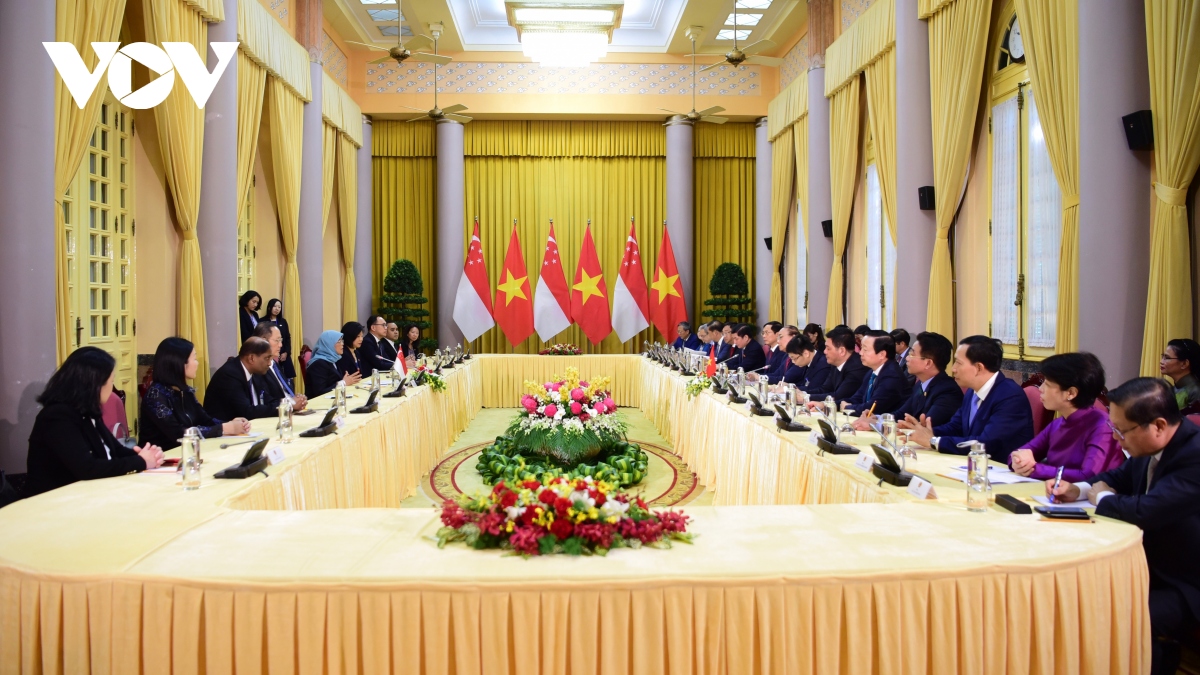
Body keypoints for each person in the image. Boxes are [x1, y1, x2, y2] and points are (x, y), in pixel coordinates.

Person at [1046, 378, 1200, 675]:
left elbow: (1148, 511)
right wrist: (1077, 489)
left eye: (1121, 430)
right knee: (1076, 598)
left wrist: (1102, 497)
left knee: (1116, 618)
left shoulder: (1194, 455)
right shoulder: (1151, 446)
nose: (1116, 438)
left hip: (1184, 582)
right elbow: (1117, 477)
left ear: (1158, 425)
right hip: (1146, 565)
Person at [22, 347, 164, 498]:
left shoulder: (86, 411)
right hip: (53, 501)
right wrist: (140, 461)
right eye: (111, 381)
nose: (112, 388)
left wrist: (145, 455)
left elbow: (115, 450)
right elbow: (87, 468)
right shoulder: (58, 416)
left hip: (85, 495)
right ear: (94, 384)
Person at [899, 335, 1034, 462]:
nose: (953, 369)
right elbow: (956, 427)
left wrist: (934, 441)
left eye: (958, 363)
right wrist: (925, 432)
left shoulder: (1009, 396)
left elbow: (986, 443)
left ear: (978, 368)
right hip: (971, 464)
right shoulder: (972, 391)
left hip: (1000, 469)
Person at [1008, 352, 1124, 481]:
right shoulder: (1058, 423)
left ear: (1071, 393)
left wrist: (1035, 469)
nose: (1040, 388)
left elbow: (1089, 476)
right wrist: (1018, 461)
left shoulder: (1102, 426)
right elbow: (1021, 452)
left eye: (1047, 384)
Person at [140, 337, 250, 450]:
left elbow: (206, 420)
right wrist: (224, 428)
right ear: (180, 363)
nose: (197, 363)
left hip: (188, 452)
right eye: (195, 359)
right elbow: (178, 434)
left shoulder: (185, 391)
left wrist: (231, 424)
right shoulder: (156, 395)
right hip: (162, 456)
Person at [857, 331, 962, 431]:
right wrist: (877, 418)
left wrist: (877, 425)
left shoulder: (947, 391)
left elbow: (925, 428)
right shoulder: (920, 384)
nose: (907, 358)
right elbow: (902, 414)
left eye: (912, 354)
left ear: (928, 363)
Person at [204, 338, 278, 421]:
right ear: (251, 358)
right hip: (224, 427)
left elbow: (268, 399)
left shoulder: (255, 372)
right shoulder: (229, 375)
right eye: (267, 358)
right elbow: (247, 412)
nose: (269, 363)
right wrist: (282, 408)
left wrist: (285, 405)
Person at [841, 331, 907, 416]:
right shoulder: (872, 371)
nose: (860, 353)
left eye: (865, 350)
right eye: (861, 348)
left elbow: (873, 408)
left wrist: (847, 408)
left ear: (882, 354)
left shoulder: (892, 376)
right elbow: (857, 398)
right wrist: (832, 404)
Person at [804, 326, 869, 405]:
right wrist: (803, 393)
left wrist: (806, 397)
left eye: (828, 348)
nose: (824, 351)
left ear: (842, 351)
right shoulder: (835, 364)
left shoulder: (857, 368)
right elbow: (825, 389)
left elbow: (838, 396)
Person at [253, 322, 308, 411]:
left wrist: (296, 399)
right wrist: (290, 404)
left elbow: (285, 389)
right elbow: (266, 401)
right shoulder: (257, 367)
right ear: (263, 341)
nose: (281, 345)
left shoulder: (274, 364)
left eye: (281, 340)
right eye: (277, 340)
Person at [305, 330, 363, 397]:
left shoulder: (333, 359)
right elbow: (319, 392)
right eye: (339, 341)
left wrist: (346, 380)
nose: (342, 344)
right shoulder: (318, 364)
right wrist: (343, 382)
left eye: (342, 341)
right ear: (329, 344)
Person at [1160, 338, 1200, 411]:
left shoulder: (1195, 391)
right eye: (1163, 356)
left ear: (1184, 364)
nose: (1161, 361)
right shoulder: (1171, 389)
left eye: (1167, 358)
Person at [262, 298, 296, 381]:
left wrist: (286, 352)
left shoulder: (283, 321)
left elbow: (287, 338)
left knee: (287, 379)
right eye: (275, 306)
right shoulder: (262, 321)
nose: (277, 309)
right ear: (269, 307)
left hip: (283, 353)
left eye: (279, 307)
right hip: (269, 353)